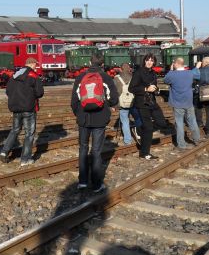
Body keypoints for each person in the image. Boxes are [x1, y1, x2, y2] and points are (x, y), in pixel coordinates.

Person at [71, 53, 118, 193]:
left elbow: (74, 101)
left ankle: (83, 182)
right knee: (96, 151)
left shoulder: (80, 78)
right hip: (100, 119)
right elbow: (114, 99)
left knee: (83, 149)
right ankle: (97, 184)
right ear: (102, 64)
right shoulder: (106, 78)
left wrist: (79, 113)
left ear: (89, 62)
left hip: (83, 119)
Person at [0, 57, 44, 165]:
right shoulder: (34, 76)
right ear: (32, 64)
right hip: (29, 109)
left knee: (15, 130)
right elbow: (40, 93)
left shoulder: (14, 75)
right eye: (35, 65)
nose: (36, 67)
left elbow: (8, 91)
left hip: (16, 108)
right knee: (29, 134)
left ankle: (4, 152)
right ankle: (25, 159)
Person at [129, 53, 167, 159]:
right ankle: (145, 153)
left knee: (162, 123)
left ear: (154, 62)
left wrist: (157, 90)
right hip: (142, 103)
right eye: (147, 60)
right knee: (149, 128)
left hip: (152, 102)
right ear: (144, 61)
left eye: (151, 60)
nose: (150, 62)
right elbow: (131, 88)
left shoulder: (153, 73)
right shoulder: (138, 72)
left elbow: (155, 87)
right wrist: (145, 89)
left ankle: (140, 129)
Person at [164, 57, 201, 149]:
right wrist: (196, 67)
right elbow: (198, 75)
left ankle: (181, 144)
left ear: (175, 64)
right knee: (192, 121)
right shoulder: (190, 73)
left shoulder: (172, 74)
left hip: (177, 103)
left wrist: (171, 70)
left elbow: (165, 80)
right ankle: (196, 139)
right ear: (183, 64)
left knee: (179, 123)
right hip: (188, 101)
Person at [114, 63, 142, 146]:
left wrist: (114, 105)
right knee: (138, 118)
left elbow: (115, 93)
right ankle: (139, 134)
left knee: (125, 121)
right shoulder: (134, 77)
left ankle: (127, 140)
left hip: (122, 103)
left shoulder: (116, 78)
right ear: (129, 69)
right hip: (133, 102)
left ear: (120, 69)